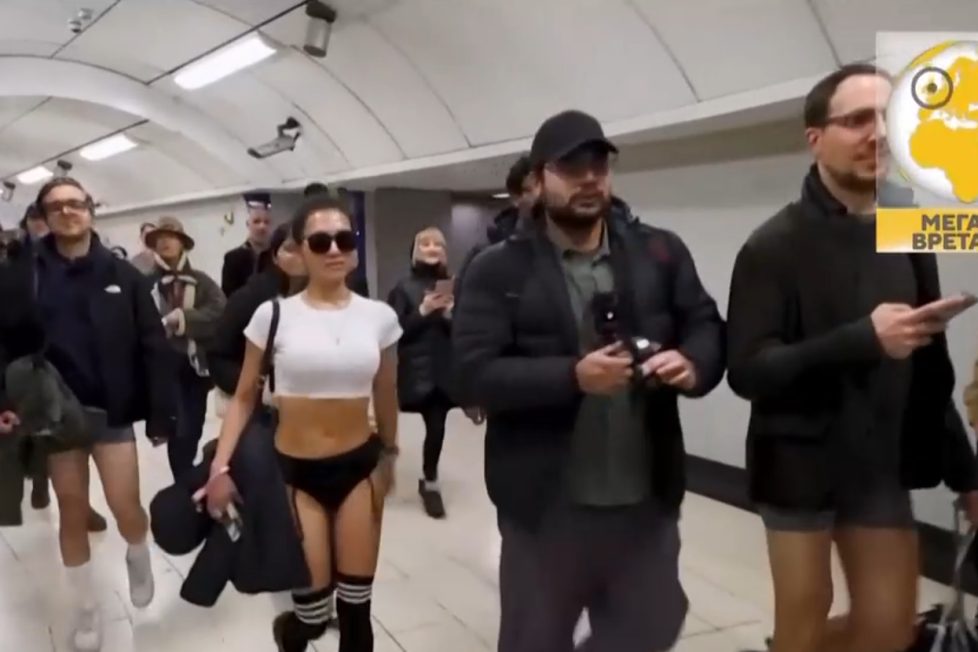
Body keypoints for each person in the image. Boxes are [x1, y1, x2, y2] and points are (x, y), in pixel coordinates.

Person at [726, 63, 978, 652]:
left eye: (888, 119)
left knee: (890, 627)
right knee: (804, 623)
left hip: (879, 465)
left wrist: (967, 477)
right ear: (815, 138)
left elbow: (931, 370)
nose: (878, 134)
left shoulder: (907, 228)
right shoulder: (772, 246)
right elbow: (749, 370)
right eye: (858, 119)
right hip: (797, 466)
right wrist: (862, 340)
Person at [453, 110, 725, 652]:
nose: (589, 179)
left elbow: (705, 324)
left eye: (599, 166)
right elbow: (471, 375)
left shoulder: (658, 252)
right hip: (544, 509)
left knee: (652, 624)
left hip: (642, 501)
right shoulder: (497, 270)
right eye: (571, 168)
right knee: (534, 641)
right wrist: (572, 377)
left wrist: (692, 363)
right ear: (538, 180)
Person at [201, 195, 402, 652]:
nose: (334, 250)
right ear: (299, 251)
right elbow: (244, 396)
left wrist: (390, 454)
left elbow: (386, 393)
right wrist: (220, 467)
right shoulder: (272, 315)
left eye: (344, 239)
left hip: (359, 469)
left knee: (356, 611)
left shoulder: (380, 318)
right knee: (311, 612)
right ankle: (290, 631)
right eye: (320, 241)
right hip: (294, 474)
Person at [0, 177, 176, 651]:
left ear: (90, 210)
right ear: (44, 216)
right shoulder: (24, 276)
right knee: (72, 510)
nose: (67, 212)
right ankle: (85, 609)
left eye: (75, 203)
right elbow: (6, 342)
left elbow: (153, 344)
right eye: (56, 206)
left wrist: (162, 413)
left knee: (125, 506)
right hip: (56, 414)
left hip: (111, 412)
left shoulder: (124, 275)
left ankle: (137, 552)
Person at [146, 216, 226, 479]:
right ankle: (183, 482)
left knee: (193, 427)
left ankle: (185, 478)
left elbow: (219, 312)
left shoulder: (201, 281)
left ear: (182, 243)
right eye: (160, 238)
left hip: (194, 367)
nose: (166, 242)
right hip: (161, 369)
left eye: (172, 237)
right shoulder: (145, 283)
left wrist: (182, 319)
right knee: (175, 428)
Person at [387, 227, 457, 519]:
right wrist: (423, 311)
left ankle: (430, 481)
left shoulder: (455, 287)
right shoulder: (402, 288)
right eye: (425, 243)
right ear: (415, 251)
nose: (432, 248)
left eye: (438, 244)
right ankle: (388, 470)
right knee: (395, 425)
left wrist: (451, 315)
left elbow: (467, 333)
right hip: (415, 370)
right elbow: (394, 331)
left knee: (437, 427)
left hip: (444, 371)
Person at [208, 223, 307, 400]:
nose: (301, 256)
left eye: (307, 247)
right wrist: (256, 389)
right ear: (275, 256)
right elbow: (219, 355)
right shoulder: (251, 297)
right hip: (264, 403)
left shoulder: (336, 296)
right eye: (291, 248)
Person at [222, 203, 273, 297]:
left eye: (266, 222)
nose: (262, 226)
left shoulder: (277, 257)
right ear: (248, 224)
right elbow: (228, 296)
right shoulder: (233, 258)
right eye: (256, 221)